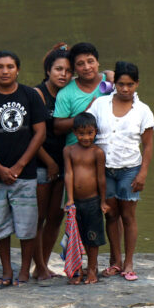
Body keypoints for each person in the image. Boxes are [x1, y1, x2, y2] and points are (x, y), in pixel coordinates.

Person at [0, 51, 46, 286]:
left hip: (25, 174)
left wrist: (19, 165)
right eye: (0, 67)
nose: (5, 71)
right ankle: (6, 270)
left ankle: (24, 270)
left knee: (27, 225)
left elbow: (40, 132)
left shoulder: (30, 95)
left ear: (18, 70)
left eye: (10, 67)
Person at [87, 62, 154, 281]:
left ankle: (129, 263)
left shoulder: (143, 110)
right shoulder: (100, 104)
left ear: (137, 84)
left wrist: (143, 173)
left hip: (130, 168)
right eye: (121, 84)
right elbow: (86, 126)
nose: (125, 89)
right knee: (112, 214)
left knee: (128, 216)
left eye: (130, 84)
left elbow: (148, 146)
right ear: (113, 83)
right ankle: (115, 261)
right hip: (104, 169)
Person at [32, 43, 72, 280]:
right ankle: (38, 265)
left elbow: (107, 75)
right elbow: (30, 136)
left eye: (68, 70)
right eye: (58, 69)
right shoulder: (38, 94)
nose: (63, 74)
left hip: (64, 162)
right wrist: (48, 162)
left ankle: (42, 266)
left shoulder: (70, 93)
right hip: (41, 162)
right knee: (38, 217)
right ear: (48, 70)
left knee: (56, 216)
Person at [63, 113, 108, 285]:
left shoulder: (97, 152)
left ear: (95, 132)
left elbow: (101, 178)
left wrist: (103, 201)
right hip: (76, 203)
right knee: (77, 237)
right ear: (75, 133)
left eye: (90, 133)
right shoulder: (69, 150)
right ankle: (77, 269)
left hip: (93, 201)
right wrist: (70, 200)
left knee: (93, 238)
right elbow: (69, 174)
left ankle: (91, 268)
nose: (86, 137)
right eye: (81, 133)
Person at [53, 42, 108, 145]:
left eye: (90, 61)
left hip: (109, 152)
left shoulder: (111, 83)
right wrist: (85, 115)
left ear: (98, 62)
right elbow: (57, 128)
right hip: (78, 155)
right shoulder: (66, 92)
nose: (87, 67)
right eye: (80, 64)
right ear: (74, 68)